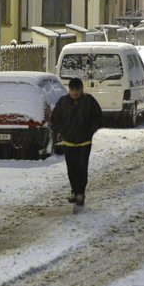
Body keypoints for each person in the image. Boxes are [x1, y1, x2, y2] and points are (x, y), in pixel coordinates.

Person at [51, 77, 102, 206]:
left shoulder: (89, 101)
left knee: (82, 168)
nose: (75, 93)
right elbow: (55, 119)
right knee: (71, 169)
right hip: (68, 142)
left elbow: (98, 118)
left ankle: (81, 193)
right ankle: (74, 190)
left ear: (81, 89)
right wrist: (60, 132)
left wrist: (90, 131)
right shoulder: (63, 102)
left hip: (84, 142)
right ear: (69, 90)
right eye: (72, 90)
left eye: (77, 90)